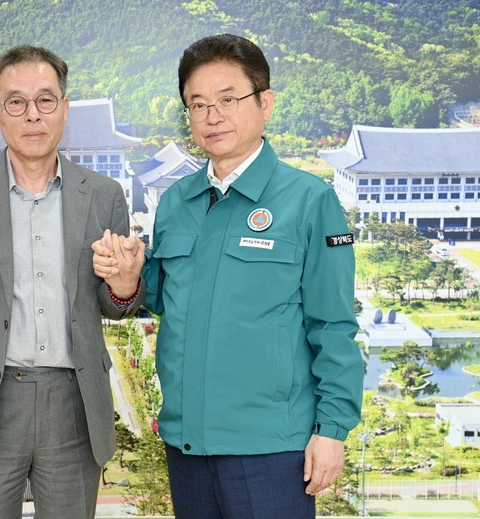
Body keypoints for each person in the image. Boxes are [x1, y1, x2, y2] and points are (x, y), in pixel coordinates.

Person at [93, 34, 364, 518]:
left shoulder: (309, 201)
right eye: (198, 104)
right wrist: (130, 279)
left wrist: (332, 430)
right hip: (187, 442)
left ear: (265, 103)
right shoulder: (177, 201)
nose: (212, 116)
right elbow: (164, 297)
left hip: (273, 448)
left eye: (227, 99)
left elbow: (333, 326)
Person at [0, 45, 144, 519]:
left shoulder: (103, 196)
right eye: (16, 102)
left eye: (45, 100)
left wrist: (125, 286)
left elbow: (114, 305)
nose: (32, 115)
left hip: (73, 405)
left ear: (65, 109)